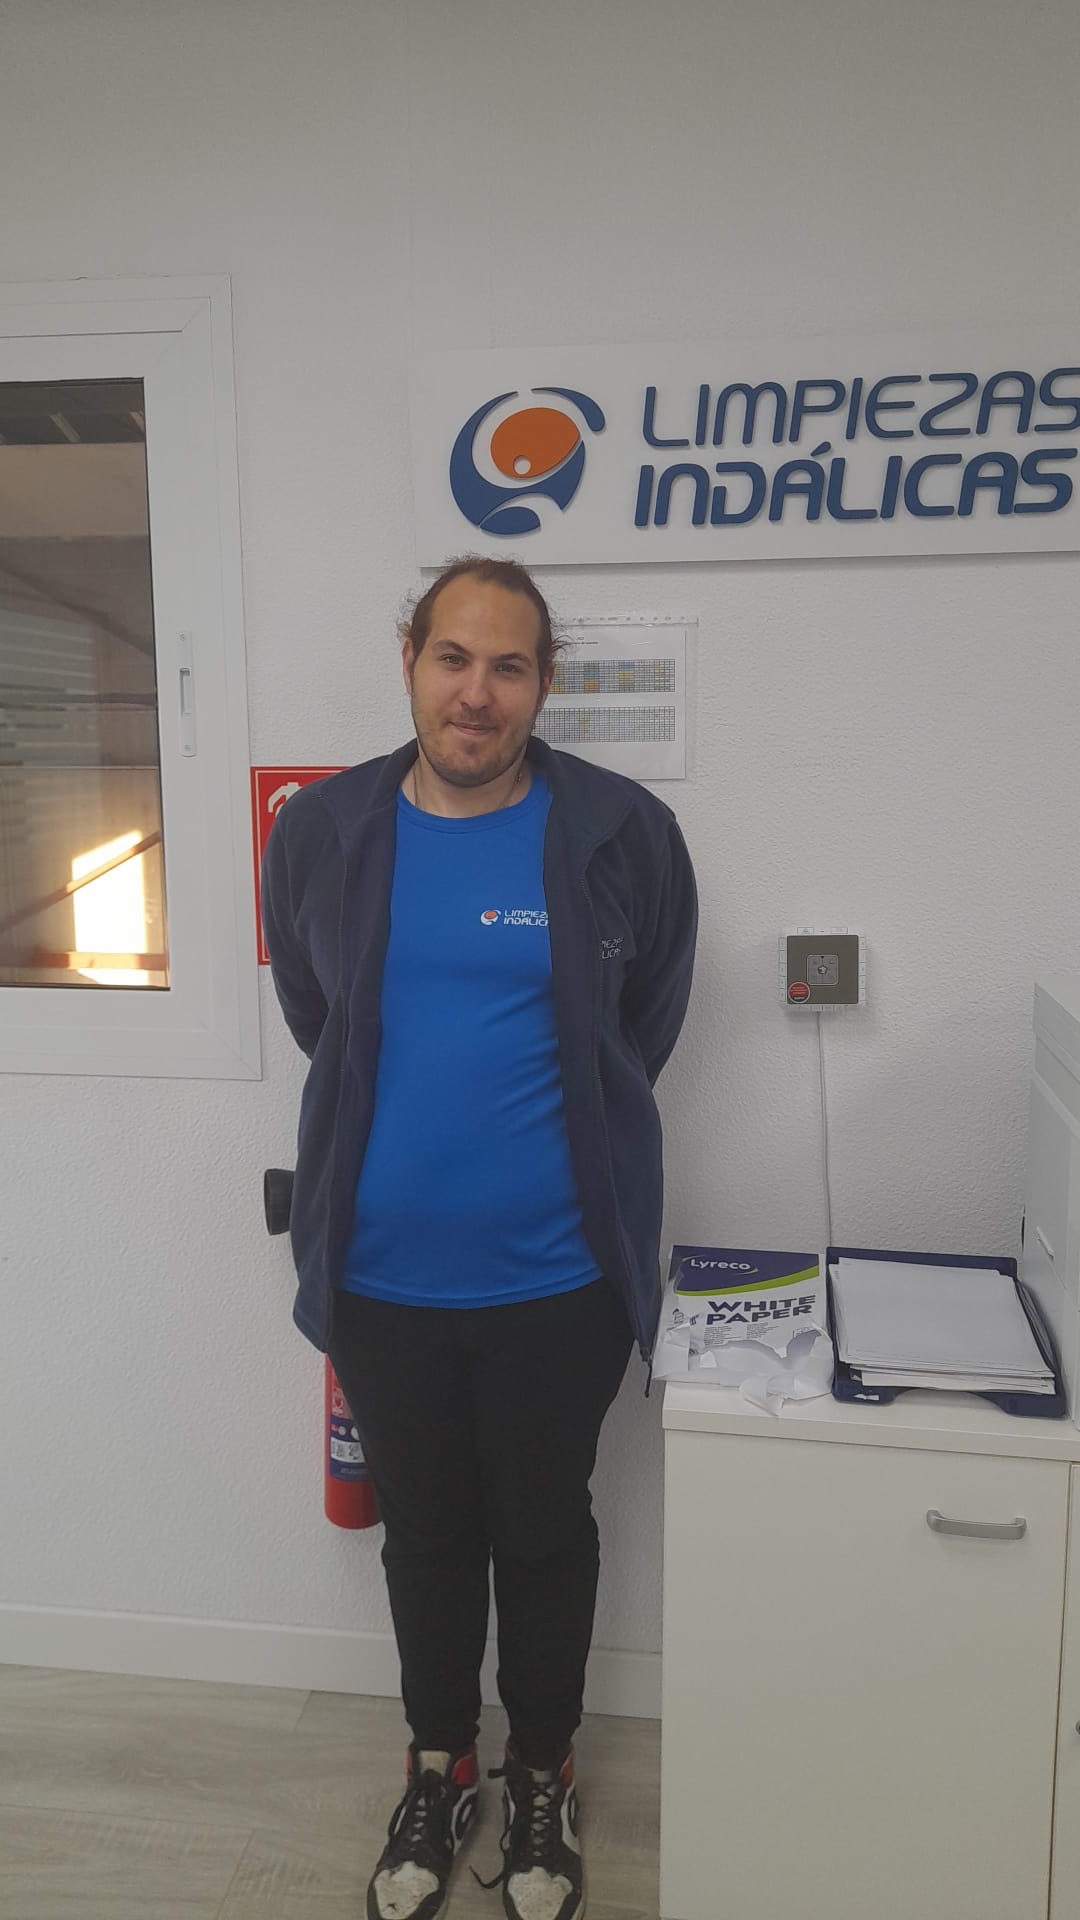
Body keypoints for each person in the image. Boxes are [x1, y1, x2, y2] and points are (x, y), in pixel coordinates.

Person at [262, 555, 697, 1920]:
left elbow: (641, 1024)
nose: (477, 692)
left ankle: (543, 1772)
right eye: (454, 658)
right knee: (429, 1537)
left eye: (509, 666)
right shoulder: (324, 830)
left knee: (546, 1535)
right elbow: (320, 1013)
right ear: (411, 660)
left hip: (560, 1283)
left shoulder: (620, 832)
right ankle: (439, 1764)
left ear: (544, 683)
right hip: (381, 1280)